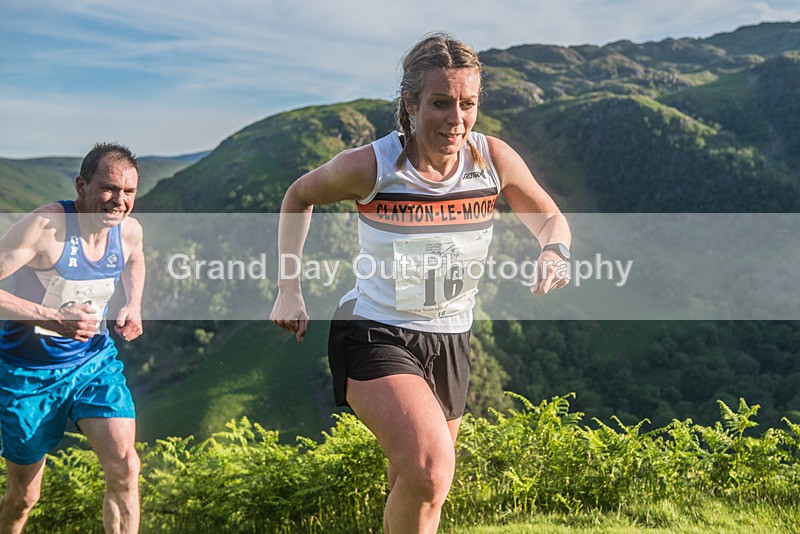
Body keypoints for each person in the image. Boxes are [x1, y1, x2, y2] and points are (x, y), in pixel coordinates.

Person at [271, 32, 570, 533]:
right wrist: (288, 287)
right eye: (440, 103)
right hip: (374, 329)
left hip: (451, 338)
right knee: (432, 470)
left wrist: (555, 251)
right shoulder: (370, 166)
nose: (456, 120)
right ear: (409, 104)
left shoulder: (492, 161)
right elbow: (298, 196)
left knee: (414, 482)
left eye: (467, 104)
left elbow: (550, 219)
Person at [0, 143, 145, 534]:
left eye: (129, 192)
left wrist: (134, 303)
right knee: (24, 497)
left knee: (125, 466)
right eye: (109, 189)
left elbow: (135, 259)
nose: (120, 202)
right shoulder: (45, 229)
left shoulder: (128, 230)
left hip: (91, 361)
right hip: (26, 372)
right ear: (82, 185)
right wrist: (52, 318)